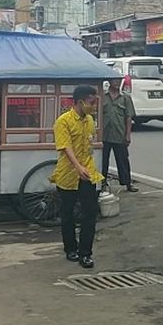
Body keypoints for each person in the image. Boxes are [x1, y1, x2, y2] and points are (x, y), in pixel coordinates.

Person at [51, 85, 103, 268]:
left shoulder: (89, 120)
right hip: (68, 174)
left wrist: (86, 167)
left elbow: (89, 144)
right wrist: (77, 166)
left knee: (90, 212)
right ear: (80, 101)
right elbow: (66, 147)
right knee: (68, 213)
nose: (94, 106)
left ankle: (85, 253)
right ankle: (70, 248)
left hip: (87, 173)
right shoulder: (63, 121)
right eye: (91, 102)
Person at [101, 80, 137, 193]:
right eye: (114, 81)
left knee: (123, 160)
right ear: (109, 82)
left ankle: (127, 183)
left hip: (119, 134)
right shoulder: (102, 97)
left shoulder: (125, 98)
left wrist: (128, 135)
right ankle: (102, 183)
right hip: (104, 136)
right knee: (102, 161)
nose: (117, 83)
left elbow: (128, 117)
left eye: (119, 81)